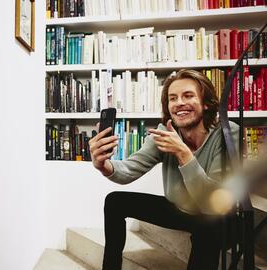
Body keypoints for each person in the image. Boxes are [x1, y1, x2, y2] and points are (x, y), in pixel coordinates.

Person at [89, 69, 238, 270]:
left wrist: (183, 154)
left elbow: (210, 203)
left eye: (188, 95)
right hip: (180, 209)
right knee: (115, 201)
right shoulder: (165, 133)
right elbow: (129, 169)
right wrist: (104, 166)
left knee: (209, 225)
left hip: (216, 213)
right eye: (172, 98)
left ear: (206, 103)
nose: (179, 103)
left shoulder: (228, 133)